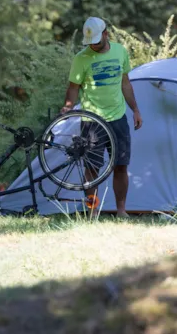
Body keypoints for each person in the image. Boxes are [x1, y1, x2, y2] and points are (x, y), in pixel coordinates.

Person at [60, 16, 142, 218]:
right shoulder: (81, 58)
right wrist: (68, 107)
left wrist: (136, 110)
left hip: (117, 118)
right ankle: (92, 210)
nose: (93, 46)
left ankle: (121, 210)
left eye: (96, 41)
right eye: (90, 43)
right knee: (91, 168)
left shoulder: (120, 51)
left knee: (121, 165)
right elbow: (73, 88)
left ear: (106, 34)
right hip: (92, 120)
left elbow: (125, 84)